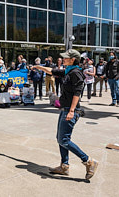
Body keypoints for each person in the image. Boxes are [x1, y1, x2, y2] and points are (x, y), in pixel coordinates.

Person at [34, 49, 98, 180]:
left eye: (66, 58)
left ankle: (89, 161)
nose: (63, 59)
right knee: (60, 138)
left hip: (70, 110)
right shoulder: (68, 71)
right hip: (65, 109)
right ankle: (64, 166)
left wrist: (72, 111)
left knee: (64, 139)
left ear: (73, 59)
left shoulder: (76, 73)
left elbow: (77, 93)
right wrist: (38, 67)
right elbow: (52, 71)